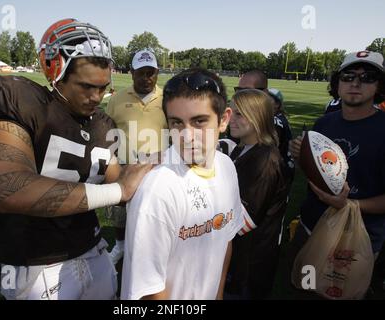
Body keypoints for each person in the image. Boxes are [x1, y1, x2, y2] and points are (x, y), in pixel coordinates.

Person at [0, 18, 152, 300]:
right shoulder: (25, 103)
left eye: (103, 88)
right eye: (86, 86)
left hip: (92, 249)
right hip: (35, 263)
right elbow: (8, 187)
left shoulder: (102, 124)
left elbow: (120, 178)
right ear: (55, 71)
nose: (96, 96)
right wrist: (118, 190)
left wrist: (159, 167)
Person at [121, 68, 251, 300]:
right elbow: (149, 290)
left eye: (199, 121)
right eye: (177, 123)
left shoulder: (227, 167)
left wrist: (218, 295)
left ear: (224, 120)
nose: (187, 136)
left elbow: (226, 240)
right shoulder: (158, 189)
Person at [289, 51, 385, 286]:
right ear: (337, 83)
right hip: (312, 223)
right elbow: (316, 174)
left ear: (380, 85)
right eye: (348, 76)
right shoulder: (325, 123)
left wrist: (350, 205)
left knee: (340, 291)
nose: (355, 83)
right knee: (305, 287)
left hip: (358, 234)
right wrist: (301, 156)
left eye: (367, 77)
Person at [223, 89, 289, 299]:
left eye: (239, 114)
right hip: (238, 258)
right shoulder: (243, 148)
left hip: (249, 265)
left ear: (258, 117)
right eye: (231, 111)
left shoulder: (265, 159)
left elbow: (243, 222)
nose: (231, 118)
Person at [105, 49, 167, 265]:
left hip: (157, 170)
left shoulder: (167, 99)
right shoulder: (117, 99)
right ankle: (121, 246)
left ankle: (149, 251)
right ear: (131, 72)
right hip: (123, 165)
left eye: (151, 72)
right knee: (119, 210)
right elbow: (108, 132)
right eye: (141, 73)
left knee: (153, 212)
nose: (146, 78)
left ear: (157, 73)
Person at [235, 70, 295, 182]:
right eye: (238, 91)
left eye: (248, 91)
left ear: (264, 93)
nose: (241, 96)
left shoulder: (272, 124)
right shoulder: (241, 120)